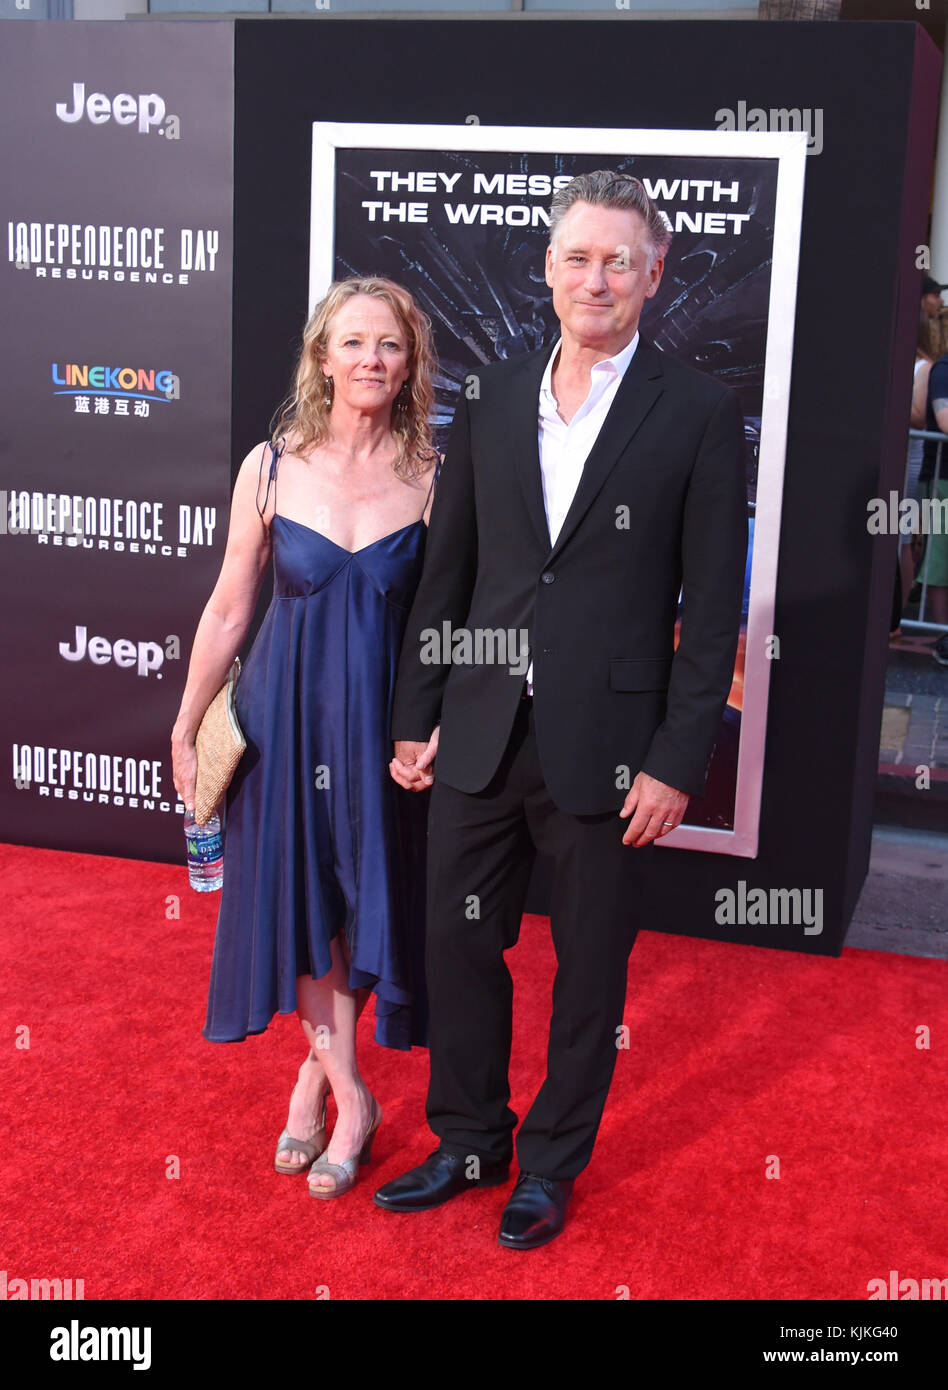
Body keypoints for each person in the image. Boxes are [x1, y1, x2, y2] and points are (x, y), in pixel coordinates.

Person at [374, 171, 747, 1249]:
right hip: (482, 728)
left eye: (619, 260)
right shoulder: (491, 396)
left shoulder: (699, 412)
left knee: (589, 969)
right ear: (546, 266)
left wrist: (681, 756)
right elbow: (453, 573)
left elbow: (711, 607)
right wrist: (419, 712)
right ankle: (470, 1137)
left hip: (616, 747)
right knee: (457, 943)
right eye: (578, 257)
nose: (597, 278)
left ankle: (549, 1164)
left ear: (654, 272)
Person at [171, 276, 439, 1198]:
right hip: (284, 722)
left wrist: (432, 724)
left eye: (390, 346)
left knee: (366, 901)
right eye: (355, 342)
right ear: (322, 357)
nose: (372, 359)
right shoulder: (271, 466)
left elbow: (450, 621)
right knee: (304, 899)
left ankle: (314, 1076)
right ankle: (351, 1095)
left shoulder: (435, 475)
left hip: (382, 731)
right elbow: (229, 605)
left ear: (410, 366)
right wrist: (184, 719)